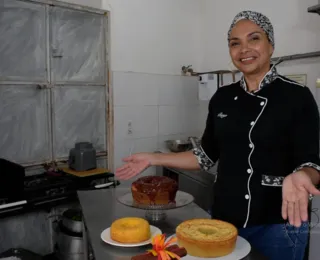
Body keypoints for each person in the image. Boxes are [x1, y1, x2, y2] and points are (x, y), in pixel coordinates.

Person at [116, 10, 320, 260]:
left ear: (271, 44)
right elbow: (205, 156)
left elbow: (313, 160)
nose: (244, 49)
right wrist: (154, 158)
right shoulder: (222, 98)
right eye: (235, 43)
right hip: (224, 221)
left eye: (254, 38)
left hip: (277, 224)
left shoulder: (297, 96)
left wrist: (302, 174)